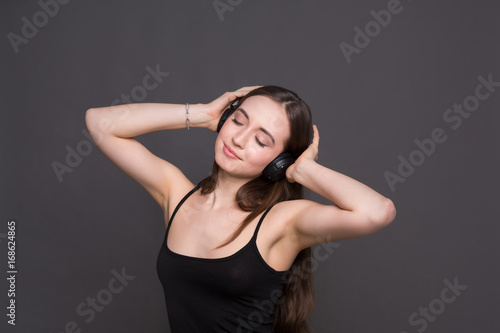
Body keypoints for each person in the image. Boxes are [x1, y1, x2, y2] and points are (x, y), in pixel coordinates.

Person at [85, 85, 396, 333]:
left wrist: (303, 171)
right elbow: (100, 124)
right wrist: (203, 114)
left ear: (280, 161)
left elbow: (377, 211)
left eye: (261, 140)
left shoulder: (281, 222)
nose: (239, 138)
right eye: (237, 120)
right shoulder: (176, 195)